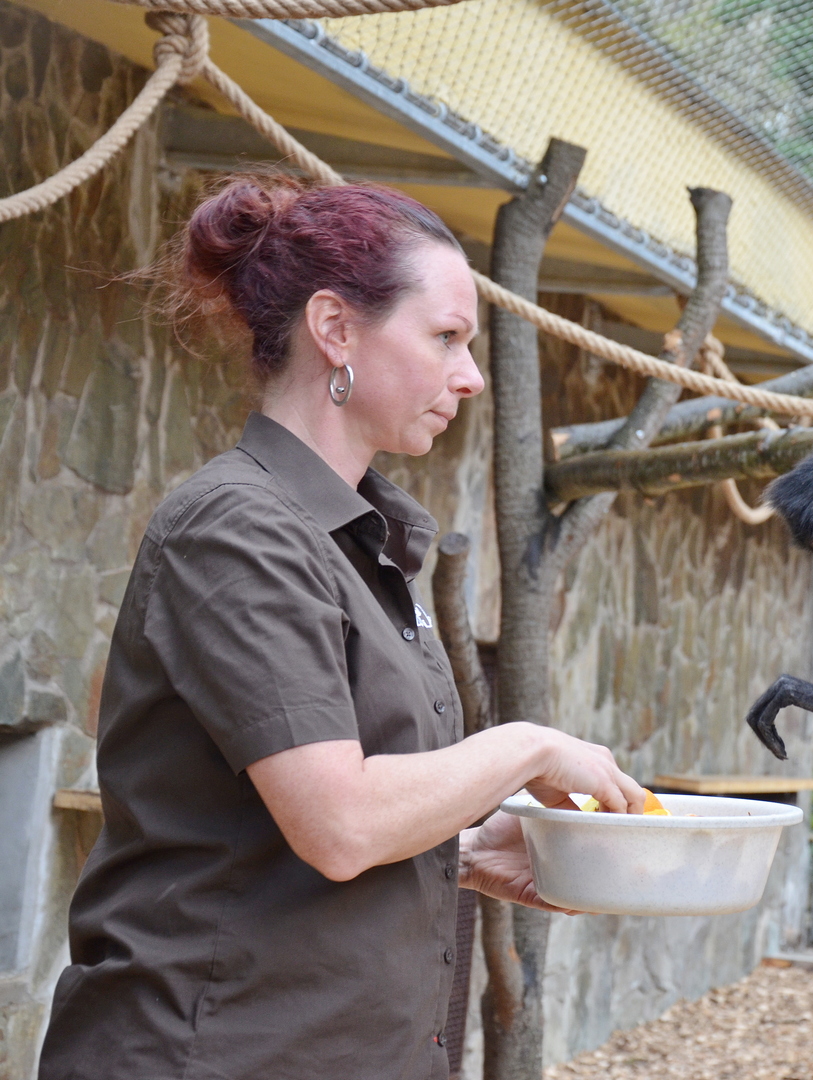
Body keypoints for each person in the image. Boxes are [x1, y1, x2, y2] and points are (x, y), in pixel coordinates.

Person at [37, 175, 646, 1080]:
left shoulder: (362, 541)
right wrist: (526, 746)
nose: (470, 376)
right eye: (444, 337)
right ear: (335, 329)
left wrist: (468, 852)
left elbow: (288, 828)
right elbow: (338, 822)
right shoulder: (236, 528)